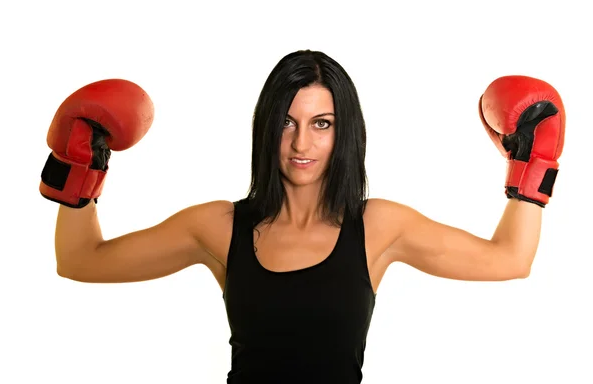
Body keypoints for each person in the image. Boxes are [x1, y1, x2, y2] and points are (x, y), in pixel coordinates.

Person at [40, 50, 566, 383]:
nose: (301, 143)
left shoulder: (378, 226)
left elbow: (510, 260)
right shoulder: (218, 226)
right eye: (286, 123)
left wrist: (532, 166)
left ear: (344, 133)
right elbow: (81, 260)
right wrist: (79, 170)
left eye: (321, 123)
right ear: (266, 127)